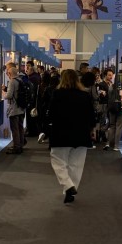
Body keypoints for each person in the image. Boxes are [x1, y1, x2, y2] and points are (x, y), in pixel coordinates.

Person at [46, 69, 94, 203]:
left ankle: (68, 186)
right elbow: (91, 116)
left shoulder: (57, 94)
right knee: (76, 165)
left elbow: (51, 114)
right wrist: (90, 129)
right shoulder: (85, 95)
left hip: (61, 134)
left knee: (57, 162)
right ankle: (70, 190)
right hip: (81, 135)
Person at [3, 64, 26, 154]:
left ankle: (16, 147)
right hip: (21, 108)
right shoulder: (20, 80)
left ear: (10, 73)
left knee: (15, 129)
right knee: (20, 128)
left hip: (14, 109)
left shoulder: (12, 81)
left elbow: (9, 95)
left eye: (8, 73)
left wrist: (3, 94)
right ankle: (20, 145)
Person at [102, 69, 122, 151]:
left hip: (112, 108)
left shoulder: (111, 86)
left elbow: (109, 97)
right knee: (119, 127)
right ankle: (116, 146)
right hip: (121, 108)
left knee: (112, 126)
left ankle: (108, 143)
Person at [25, 60, 41, 136]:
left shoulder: (32, 78)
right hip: (35, 100)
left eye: (27, 70)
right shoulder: (37, 76)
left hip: (32, 101)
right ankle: (34, 131)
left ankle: (31, 132)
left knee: (30, 116)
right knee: (33, 117)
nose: (26, 71)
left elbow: (31, 90)